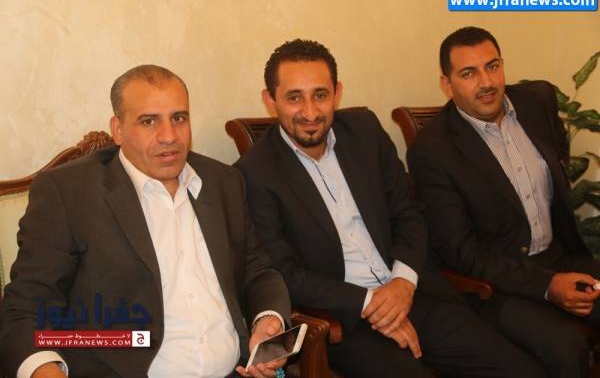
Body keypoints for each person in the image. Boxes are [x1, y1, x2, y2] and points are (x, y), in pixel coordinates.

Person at [236, 39, 543, 378]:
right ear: (270, 100)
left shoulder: (365, 131)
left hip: (412, 290)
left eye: (320, 95)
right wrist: (373, 305)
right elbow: (284, 272)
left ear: (337, 93)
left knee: (521, 371)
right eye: (294, 97)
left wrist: (402, 284)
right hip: (345, 321)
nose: (310, 112)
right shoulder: (254, 172)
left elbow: (410, 213)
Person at [0, 65, 291, 378]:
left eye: (179, 118)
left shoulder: (223, 181)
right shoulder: (69, 193)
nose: (169, 137)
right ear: (118, 129)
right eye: (149, 121)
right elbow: (26, 308)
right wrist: (46, 371)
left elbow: (258, 271)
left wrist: (268, 319)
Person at [407, 26, 600, 378]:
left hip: (559, 257)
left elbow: (558, 157)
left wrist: (556, 273)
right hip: (495, 286)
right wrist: (547, 286)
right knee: (565, 349)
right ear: (447, 84)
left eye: (492, 66)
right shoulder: (432, 151)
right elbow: (462, 251)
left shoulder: (537, 101)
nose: (486, 82)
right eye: (469, 73)